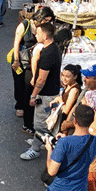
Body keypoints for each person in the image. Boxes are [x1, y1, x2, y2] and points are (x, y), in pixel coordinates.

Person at [20, 22, 62, 157]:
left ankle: (35, 149)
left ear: (45, 35)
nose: (35, 35)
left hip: (45, 97)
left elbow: (41, 80)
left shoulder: (48, 54)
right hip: (52, 94)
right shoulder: (53, 49)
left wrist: (33, 95)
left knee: (40, 123)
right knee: (46, 120)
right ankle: (40, 141)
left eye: (38, 33)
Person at [11, 7, 53, 121]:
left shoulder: (44, 29)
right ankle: (19, 105)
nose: (47, 22)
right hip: (21, 59)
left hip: (34, 61)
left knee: (29, 84)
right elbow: (16, 42)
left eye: (49, 20)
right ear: (40, 17)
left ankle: (27, 105)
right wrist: (16, 60)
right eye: (45, 20)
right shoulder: (26, 25)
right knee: (19, 83)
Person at [60, 64, 96, 136]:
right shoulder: (87, 88)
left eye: (87, 77)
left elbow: (90, 120)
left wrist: (69, 124)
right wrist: (67, 121)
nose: (84, 79)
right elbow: (76, 105)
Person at [45, 64, 82, 137]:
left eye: (67, 76)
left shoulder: (74, 90)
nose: (64, 79)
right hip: (60, 115)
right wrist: (54, 103)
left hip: (65, 120)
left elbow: (65, 110)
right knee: (45, 110)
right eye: (63, 75)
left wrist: (59, 99)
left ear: (75, 77)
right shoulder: (68, 85)